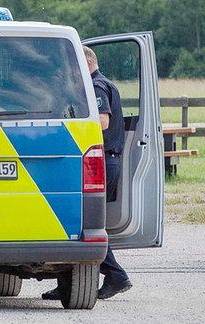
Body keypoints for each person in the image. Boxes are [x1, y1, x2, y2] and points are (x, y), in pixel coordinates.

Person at [42, 45, 132, 301]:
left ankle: (116, 275)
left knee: (83, 225)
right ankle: (67, 285)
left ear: (85, 63)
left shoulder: (96, 86)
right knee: (76, 223)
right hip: (105, 161)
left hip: (103, 161)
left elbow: (102, 120)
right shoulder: (100, 84)